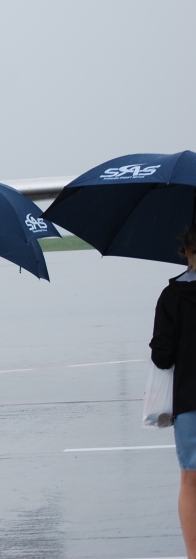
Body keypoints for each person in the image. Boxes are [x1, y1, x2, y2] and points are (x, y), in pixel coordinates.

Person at [149, 224, 196, 557]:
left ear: (186, 251)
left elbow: (162, 357)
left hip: (190, 400)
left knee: (191, 482)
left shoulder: (172, 296)